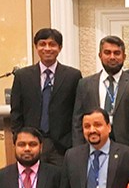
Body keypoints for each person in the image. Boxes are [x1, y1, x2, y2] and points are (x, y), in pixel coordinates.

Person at [10, 27, 82, 165]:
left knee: (61, 183)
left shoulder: (72, 76)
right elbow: (16, 111)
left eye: (52, 44)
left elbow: (77, 112)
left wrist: (75, 143)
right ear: (36, 47)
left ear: (60, 48)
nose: (47, 49)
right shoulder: (22, 76)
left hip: (62, 146)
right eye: (42, 44)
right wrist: (19, 137)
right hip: (31, 144)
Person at [72, 35, 129, 146]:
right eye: (107, 53)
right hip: (92, 144)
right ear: (100, 55)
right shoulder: (85, 84)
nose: (112, 57)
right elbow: (77, 120)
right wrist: (78, 149)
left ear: (124, 56)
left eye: (117, 53)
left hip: (126, 146)